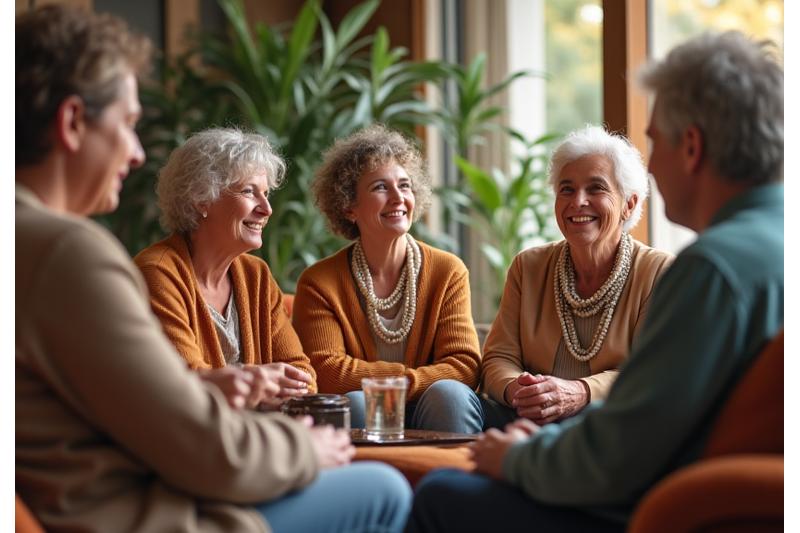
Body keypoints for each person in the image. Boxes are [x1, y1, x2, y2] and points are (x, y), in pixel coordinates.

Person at [15, 6, 411, 533]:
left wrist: (226, 390)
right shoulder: (70, 253)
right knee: (383, 488)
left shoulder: (252, 277)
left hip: (148, 480)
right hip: (145, 510)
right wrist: (304, 448)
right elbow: (200, 446)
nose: (135, 154)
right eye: (129, 124)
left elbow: (158, 406)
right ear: (71, 122)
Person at [407, 30, 783, 533]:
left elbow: (621, 450)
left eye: (654, 140)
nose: (578, 202)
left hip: (660, 503)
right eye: (567, 189)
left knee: (440, 493)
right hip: (705, 492)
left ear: (690, 146)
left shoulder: (711, 270)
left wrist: (519, 459)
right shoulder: (778, 243)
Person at [292, 124, 483, 433]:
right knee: (352, 401)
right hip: (365, 410)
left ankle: (450, 481)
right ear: (349, 206)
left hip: (431, 405)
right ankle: (368, 481)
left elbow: (464, 365)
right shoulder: (319, 281)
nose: (398, 197)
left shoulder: (448, 271)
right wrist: (410, 380)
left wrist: (401, 384)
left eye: (405, 185)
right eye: (380, 187)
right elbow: (325, 370)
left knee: (449, 394)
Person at [480, 125, 673, 429]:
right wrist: (520, 389)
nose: (578, 201)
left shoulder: (658, 272)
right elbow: (497, 358)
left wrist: (580, 392)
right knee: (452, 396)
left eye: (596, 188)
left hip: (605, 423)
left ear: (629, 204)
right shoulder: (528, 266)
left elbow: (652, 372)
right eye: (566, 189)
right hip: (522, 415)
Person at [134, 128, 317, 410]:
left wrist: (261, 389)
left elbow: (303, 374)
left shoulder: (256, 275)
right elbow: (187, 383)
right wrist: (263, 389)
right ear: (201, 199)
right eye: (249, 191)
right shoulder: (158, 274)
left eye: (266, 194)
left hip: (258, 437)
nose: (266, 209)